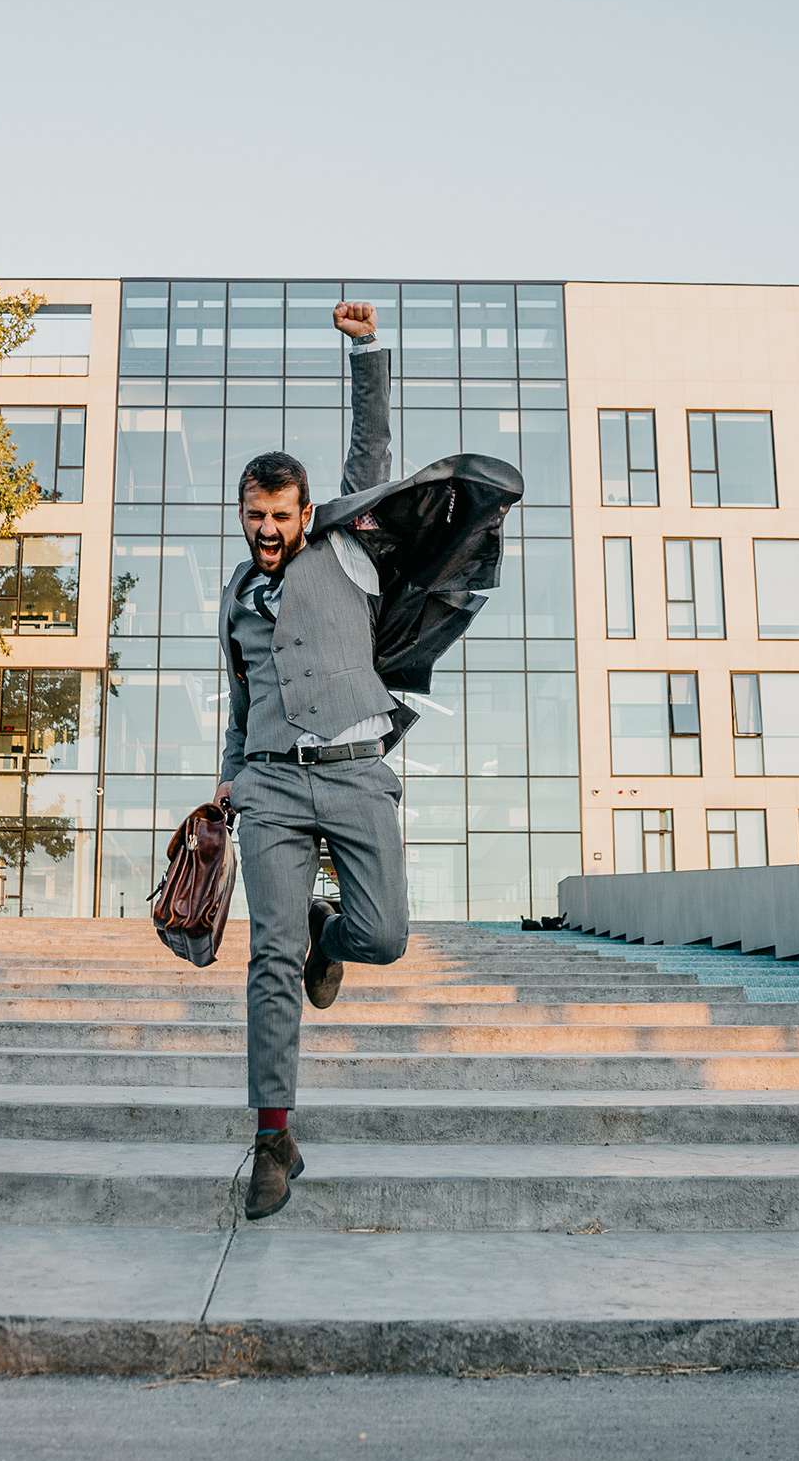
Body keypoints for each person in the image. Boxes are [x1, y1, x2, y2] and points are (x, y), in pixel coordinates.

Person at [214, 298, 520, 1219]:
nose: (267, 528)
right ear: (242, 512)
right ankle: (273, 1137)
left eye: (280, 514)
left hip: (353, 770)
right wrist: (229, 774)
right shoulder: (235, 592)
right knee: (268, 959)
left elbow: (371, 457)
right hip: (268, 783)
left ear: (306, 512)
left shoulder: (344, 549)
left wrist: (369, 353)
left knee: (383, 936)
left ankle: (328, 933)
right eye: (254, 514)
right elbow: (241, 693)